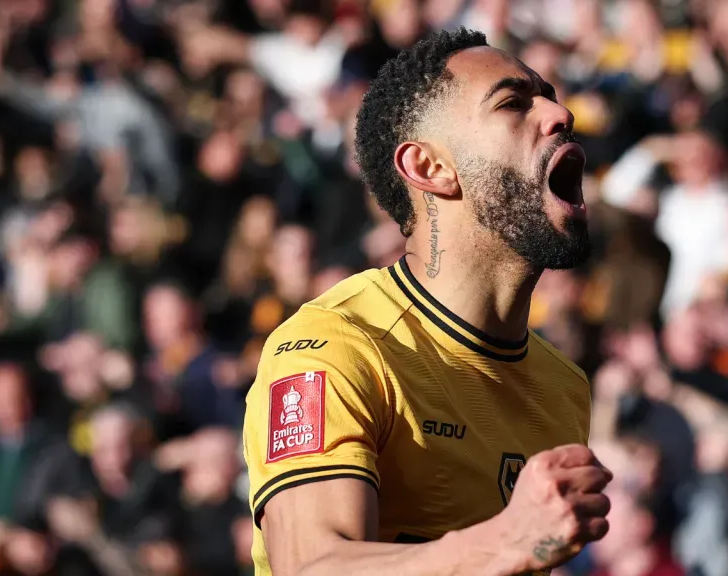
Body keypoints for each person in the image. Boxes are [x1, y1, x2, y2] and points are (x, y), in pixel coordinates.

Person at [242, 28, 610, 576]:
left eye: (551, 97)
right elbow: (312, 567)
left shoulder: (565, 388)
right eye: (512, 103)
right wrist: (505, 541)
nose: (560, 114)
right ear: (429, 168)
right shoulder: (335, 348)